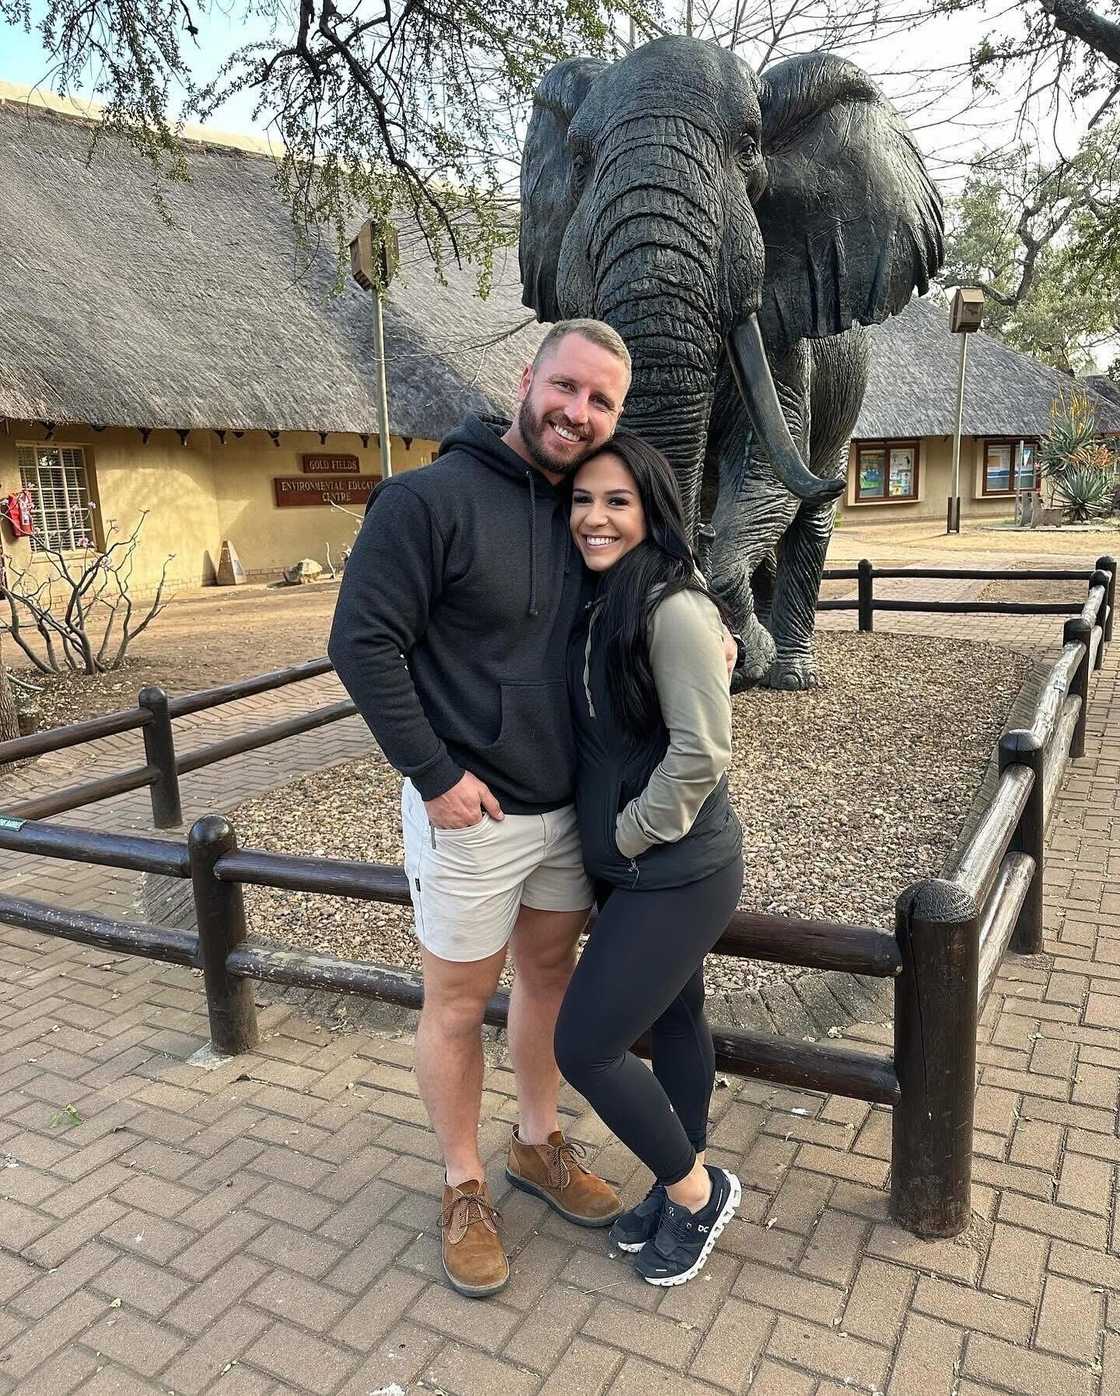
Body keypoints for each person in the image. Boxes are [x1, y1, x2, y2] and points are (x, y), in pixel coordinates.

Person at [328, 320, 635, 1299]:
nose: (577, 412)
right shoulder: (424, 501)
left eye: (600, 402)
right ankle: (462, 1182)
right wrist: (431, 773)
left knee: (547, 978)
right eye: (567, 387)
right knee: (457, 1002)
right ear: (525, 380)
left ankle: (536, 1144)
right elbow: (360, 642)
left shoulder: (590, 509)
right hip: (469, 813)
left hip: (564, 812)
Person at [554, 431, 745, 1287]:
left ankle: (699, 1192)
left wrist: (625, 837)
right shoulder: (602, 599)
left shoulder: (673, 609)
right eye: (582, 500)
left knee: (587, 1046)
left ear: (652, 510)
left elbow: (702, 754)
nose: (594, 518)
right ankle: (682, 1185)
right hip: (634, 869)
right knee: (673, 1019)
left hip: (678, 869)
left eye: (617, 502)